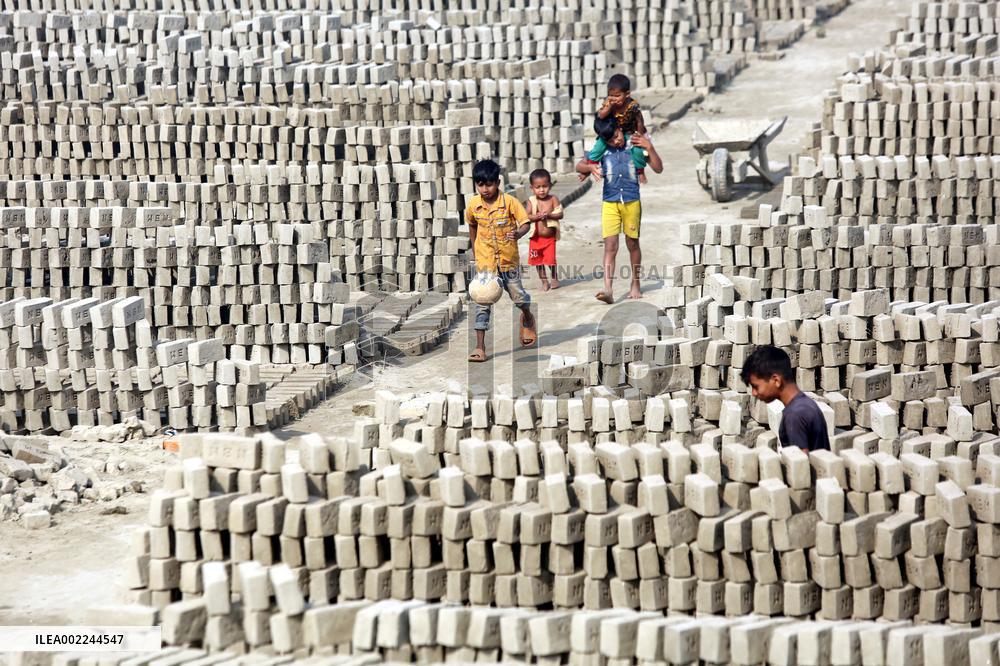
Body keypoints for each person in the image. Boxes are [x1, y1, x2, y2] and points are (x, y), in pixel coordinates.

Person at [575, 117, 663, 304]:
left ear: (620, 128)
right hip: (610, 202)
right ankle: (608, 288)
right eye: (611, 140)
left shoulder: (635, 145)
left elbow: (658, 168)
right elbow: (579, 165)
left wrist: (650, 147)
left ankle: (635, 282)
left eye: (617, 135)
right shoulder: (602, 148)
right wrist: (590, 167)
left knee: (632, 243)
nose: (616, 141)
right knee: (610, 246)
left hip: (631, 202)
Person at [465, 159, 537, 363]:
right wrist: (474, 248)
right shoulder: (473, 205)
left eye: (489, 184)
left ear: (497, 182)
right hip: (485, 265)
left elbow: (525, 223)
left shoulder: (510, 202)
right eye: (480, 185)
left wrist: (518, 234)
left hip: (508, 262)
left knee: (518, 297)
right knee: (482, 302)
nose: (485, 189)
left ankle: (527, 316)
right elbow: (471, 225)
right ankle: (480, 347)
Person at [740, 345, 831, 451]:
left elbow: (799, 463)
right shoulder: (806, 404)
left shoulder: (795, 415)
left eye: (756, 386)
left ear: (776, 381)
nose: (754, 393)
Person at [592, 73, 649, 183]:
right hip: (613, 130)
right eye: (611, 95)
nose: (613, 98)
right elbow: (601, 116)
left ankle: (641, 171)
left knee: (637, 151)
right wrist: (610, 106)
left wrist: (639, 135)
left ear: (627, 94)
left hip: (630, 130)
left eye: (617, 96)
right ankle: (591, 164)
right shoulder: (609, 102)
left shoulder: (633, 106)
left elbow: (639, 120)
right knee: (600, 144)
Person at [524, 168, 564, 291]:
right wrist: (536, 217)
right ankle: (544, 281)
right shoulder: (531, 201)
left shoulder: (553, 199)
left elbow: (560, 214)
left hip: (549, 238)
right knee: (538, 261)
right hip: (535, 238)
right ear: (532, 188)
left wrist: (549, 215)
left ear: (550, 186)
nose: (541, 190)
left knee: (551, 260)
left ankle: (554, 278)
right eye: (538, 187)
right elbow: (527, 216)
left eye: (545, 186)